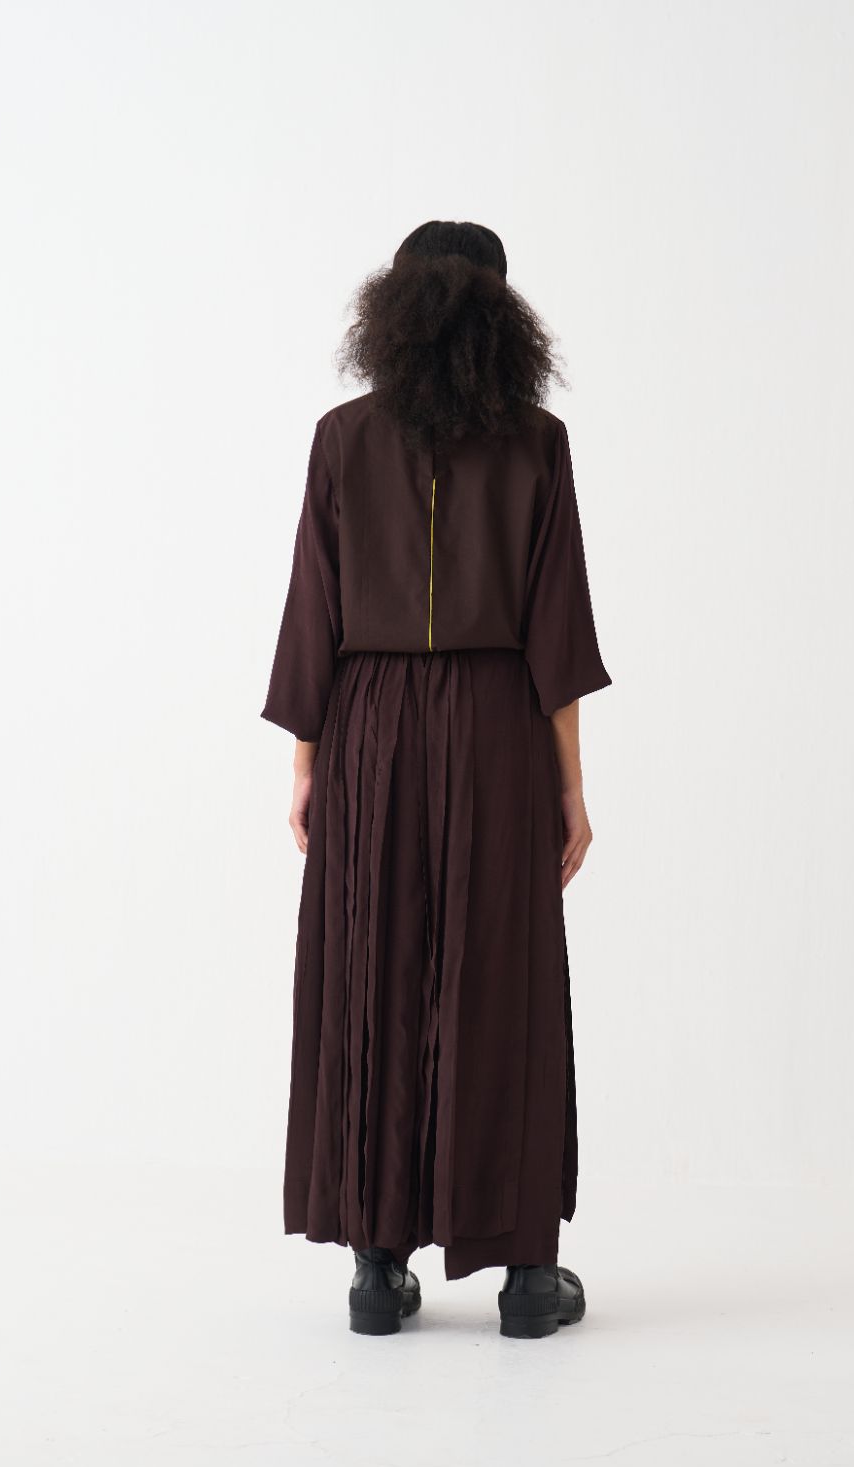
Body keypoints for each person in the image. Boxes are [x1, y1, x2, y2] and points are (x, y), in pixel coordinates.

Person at [260, 220, 611, 1338]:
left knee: (374, 968)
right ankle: (525, 1278)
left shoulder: (342, 436)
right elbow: (557, 627)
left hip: (367, 727)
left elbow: (313, 608)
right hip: (498, 726)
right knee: (501, 977)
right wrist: (571, 788)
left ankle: (376, 1269)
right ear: (503, 315)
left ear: (393, 310)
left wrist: (308, 761)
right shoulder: (537, 441)